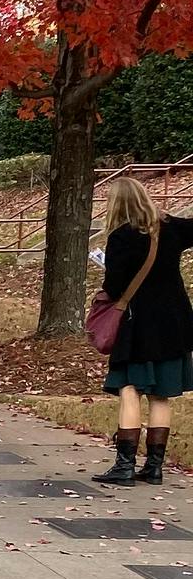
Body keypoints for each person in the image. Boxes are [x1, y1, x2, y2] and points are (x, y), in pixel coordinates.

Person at [97, 174, 193, 484]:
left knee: (129, 389)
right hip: (175, 323)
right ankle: (154, 467)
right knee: (161, 396)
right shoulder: (171, 228)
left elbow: (113, 286)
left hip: (138, 324)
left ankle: (124, 465)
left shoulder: (121, 237)